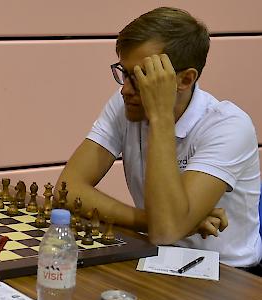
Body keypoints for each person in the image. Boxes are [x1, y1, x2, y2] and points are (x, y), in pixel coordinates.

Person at [57, 7, 262, 269]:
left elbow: (166, 229)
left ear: (185, 79)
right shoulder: (125, 105)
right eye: (124, 72)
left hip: (229, 274)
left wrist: (161, 117)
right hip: (157, 256)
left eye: (142, 77)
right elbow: (68, 189)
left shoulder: (229, 125)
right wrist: (152, 220)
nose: (125, 89)